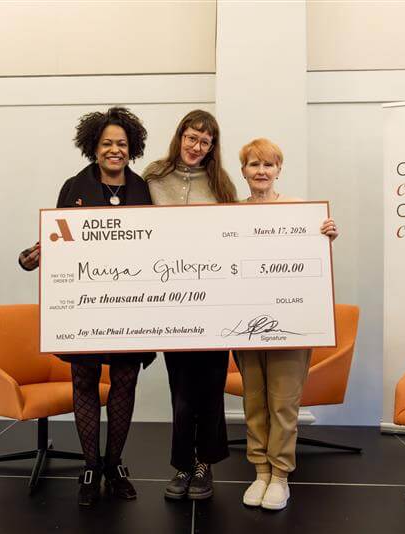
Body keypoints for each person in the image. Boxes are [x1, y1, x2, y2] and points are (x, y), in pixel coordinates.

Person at [18, 107, 156, 506]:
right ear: (93, 147)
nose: (115, 150)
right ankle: (90, 467)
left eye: (122, 144)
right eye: (107, 143)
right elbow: (58, 239)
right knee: (84, 381)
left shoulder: (143, 190)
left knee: (125, 382)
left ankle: (114, 465)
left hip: (130, 305)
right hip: (83, 306)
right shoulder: (73, 187)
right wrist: (34, 255)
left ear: (132, 148)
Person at [233, 138, 338, 511]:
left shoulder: (300, 211)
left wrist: (326, 237)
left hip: (292, 323)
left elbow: (310, 264)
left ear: (279, 170)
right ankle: (260, 472)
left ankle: (280, 476)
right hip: (246, 323)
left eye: (268, 164)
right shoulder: (230, 214)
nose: (261, 171)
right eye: (254, 164)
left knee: (282, 404)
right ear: (243, 171)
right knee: (254, 402)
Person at [142, 110, 237, 500]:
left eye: (205, 142)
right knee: (181, 388)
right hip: (172, 301)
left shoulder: (222, 184)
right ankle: (183, 464)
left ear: (212, 147)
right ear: (179, 136)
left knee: (211, 385)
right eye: (191, 137)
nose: (196, 147)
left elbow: (238, 236)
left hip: (214, 302)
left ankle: (204, 465)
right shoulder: (153, 176)